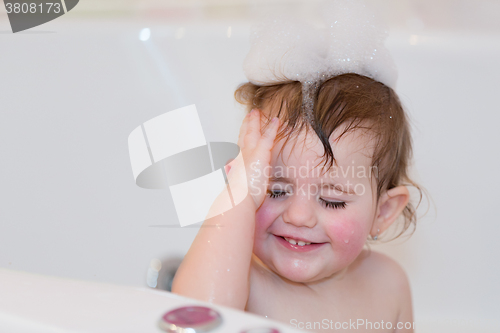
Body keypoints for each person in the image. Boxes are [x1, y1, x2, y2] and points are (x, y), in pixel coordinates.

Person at [172, 72, 421, 332]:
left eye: (331, 201)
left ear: (383, 211)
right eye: (275, 191)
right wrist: (240, 194)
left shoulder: (389, 285)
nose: (299, 216)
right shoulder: (243, 283)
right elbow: (197, 319)